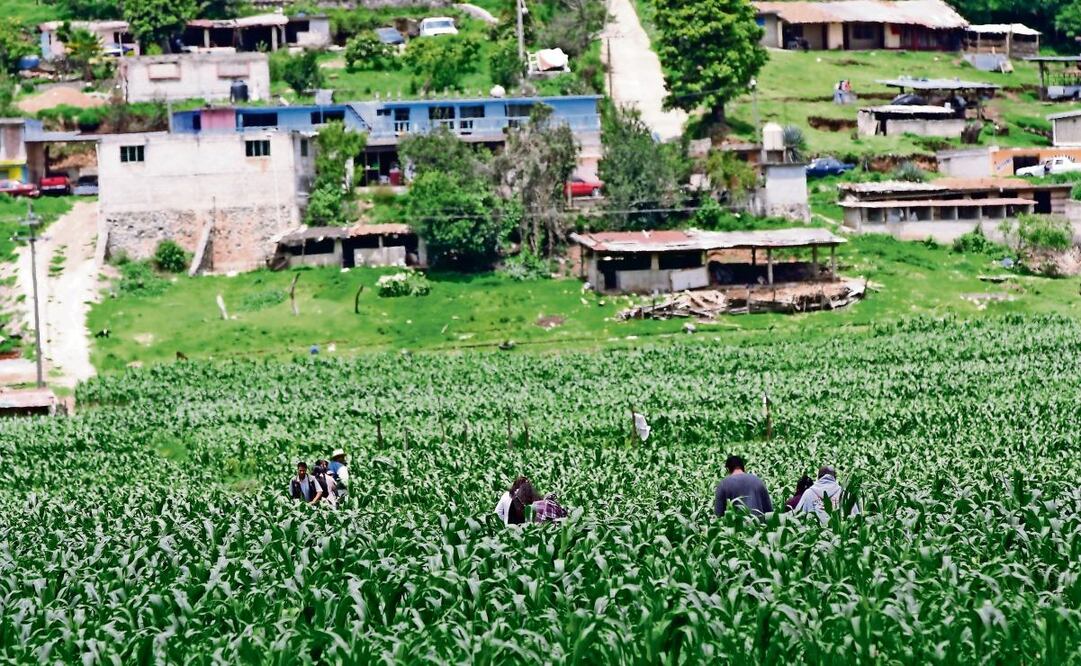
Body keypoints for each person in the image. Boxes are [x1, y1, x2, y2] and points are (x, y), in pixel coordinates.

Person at [794, 466, 858, 524]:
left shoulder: (808, 493)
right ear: (834, 478)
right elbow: (855, 518)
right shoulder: (844, 494)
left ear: (818, 477)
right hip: (839, 535)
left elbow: (798, 517)